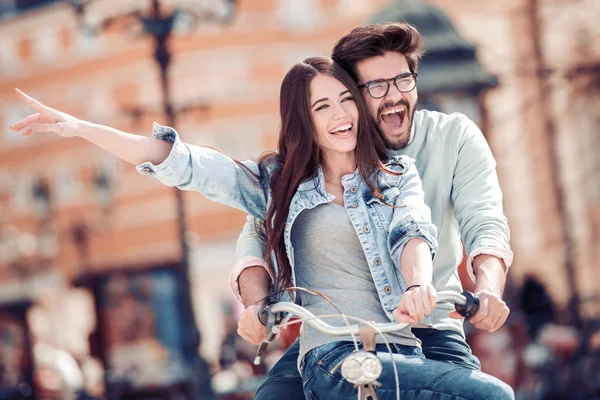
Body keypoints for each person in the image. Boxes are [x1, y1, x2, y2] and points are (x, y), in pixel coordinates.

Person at [10, 55, 512, 399]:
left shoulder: (397, 176)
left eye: (344, 100)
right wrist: (81, 128)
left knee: (489, 393)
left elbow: (413, 233)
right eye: (322, 106)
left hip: (403, 346)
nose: (340, 115)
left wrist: (421, 284)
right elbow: (186, 163)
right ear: (304, 120)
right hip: (332, 355)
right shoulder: (277, 184)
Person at [233, 22, 513, 399]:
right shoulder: (313, 160)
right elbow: (255, 232)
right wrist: (256, 305)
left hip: (431, 327)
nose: (394, 96)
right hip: (341, 335)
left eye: (403, 80)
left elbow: (485, 222)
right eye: (377, 87)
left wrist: (489, 290)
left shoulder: (454, 137)